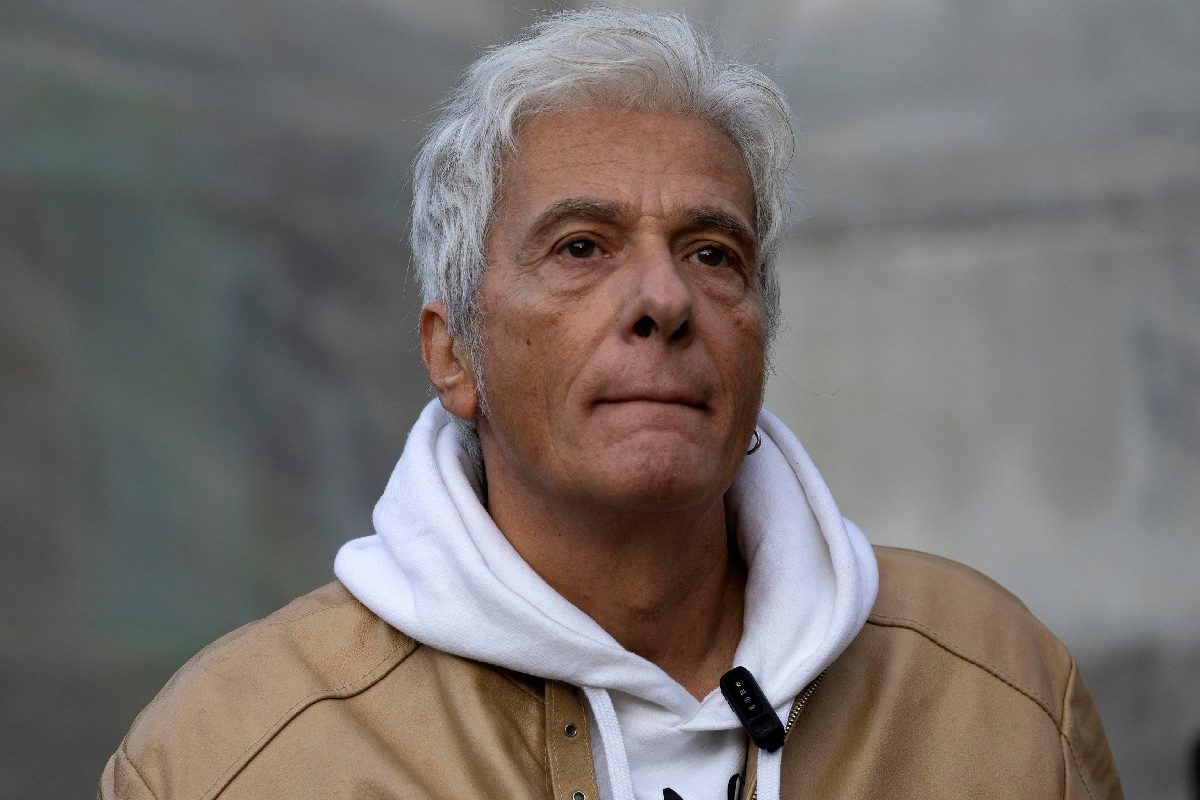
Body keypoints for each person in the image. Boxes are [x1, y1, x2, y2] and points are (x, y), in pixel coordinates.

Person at [97, 8, 1122, 800]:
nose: (664, 301)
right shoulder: (235, 753)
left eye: (711, 253)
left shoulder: (997, 692)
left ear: (760, 334)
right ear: (452, 352)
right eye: (581, 246)